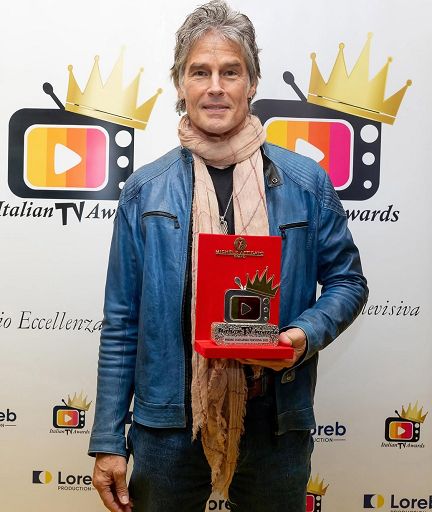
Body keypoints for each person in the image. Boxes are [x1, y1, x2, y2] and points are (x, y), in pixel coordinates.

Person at [89, 1, 368, 511]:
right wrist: (108, 438)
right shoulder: (145, 191)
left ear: (252, 83)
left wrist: (302, 336)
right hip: (168, 422)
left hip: (273, 418)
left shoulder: (306, 184)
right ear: (180, 85)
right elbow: (123, 322)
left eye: (230, 72)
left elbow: (348, 282)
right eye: (200, 72)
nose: (215, 86)